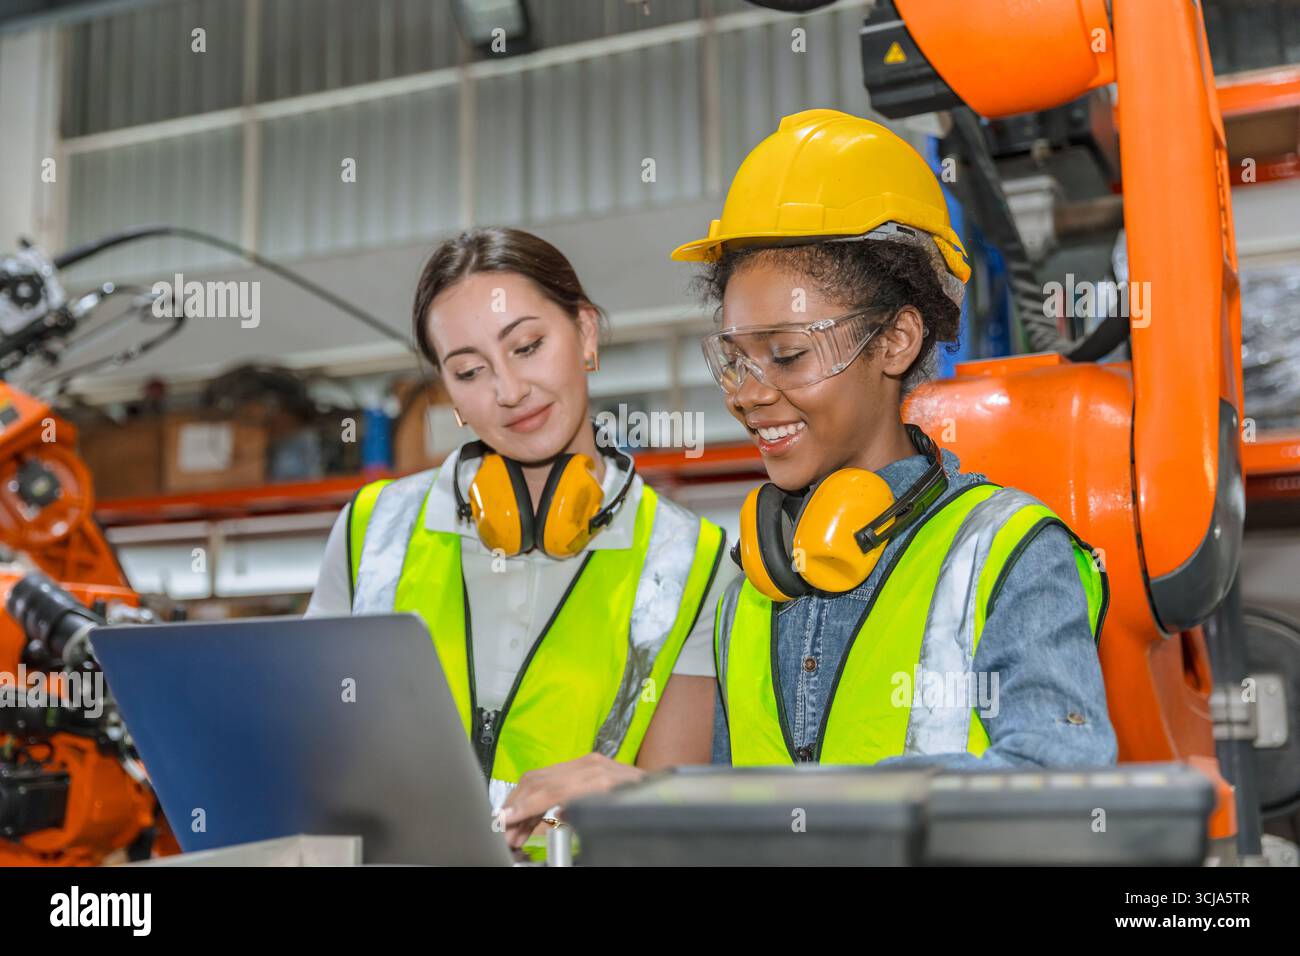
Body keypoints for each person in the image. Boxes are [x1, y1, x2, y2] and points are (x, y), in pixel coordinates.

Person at [670, 109, 1117, 769]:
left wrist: (824, 812)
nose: (746, 394)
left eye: (788, 355)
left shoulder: (1007, 554)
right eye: (736, 360)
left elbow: (1059, 787)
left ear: (896, 340)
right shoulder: (750, 591)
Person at [306, 227, 730, 847]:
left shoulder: (693, 559)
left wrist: (626, 797)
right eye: (469, 370)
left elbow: (668, 813)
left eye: (527, 346)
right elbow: (313, 747)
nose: (508, 392)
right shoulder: (372, 530)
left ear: (585, 333)